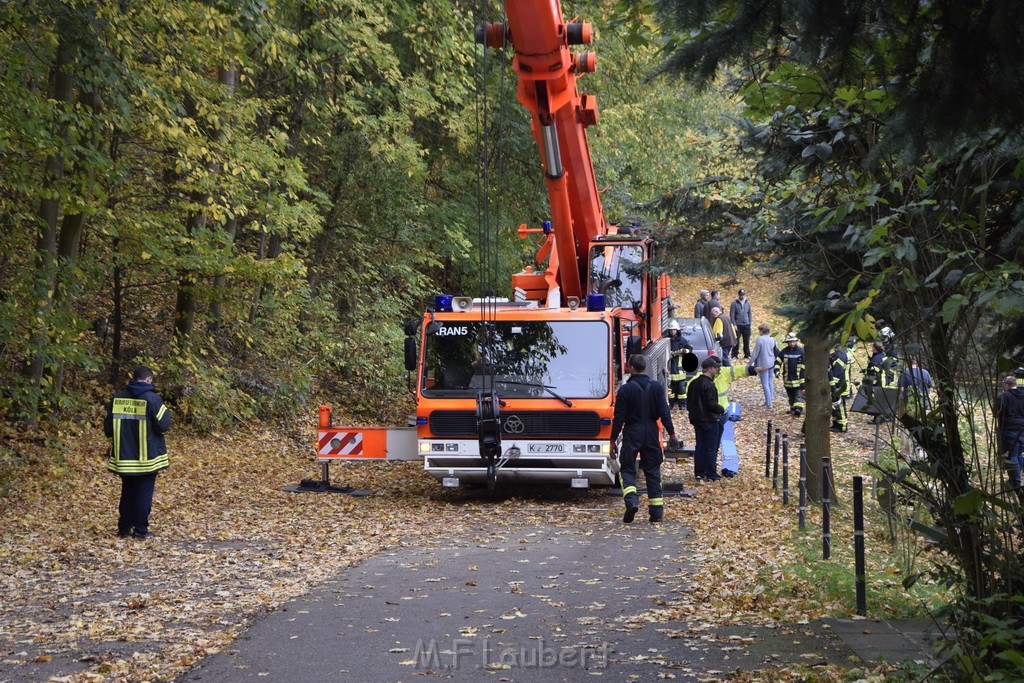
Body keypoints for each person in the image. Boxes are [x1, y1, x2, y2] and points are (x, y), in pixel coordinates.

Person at [104, 365, 172, 539]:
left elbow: (108, 429)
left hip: (124, 456)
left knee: (127, 491)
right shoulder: (153, 399)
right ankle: (140, 531)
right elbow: (164, 425)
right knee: (143, 493)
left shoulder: (117, 398)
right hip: (148, 458)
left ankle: (124, 528)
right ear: (149, 379)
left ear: (133, 378)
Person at [611, 355, 678, 523]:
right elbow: (664, 412)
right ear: (644, 367)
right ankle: (656, 513)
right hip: (651, 431)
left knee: (627, 468)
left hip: (632, 431)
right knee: (653, 471)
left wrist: (612, 440)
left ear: (631, 367)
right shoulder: (655, 387)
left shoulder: (625, 390)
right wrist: (672, 434)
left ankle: (632, 501)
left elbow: (619, 418)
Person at [687, 356, 726, 482]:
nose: (717, 370)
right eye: (715, 368)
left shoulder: (693, 383)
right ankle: (711, 473)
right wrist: (721, 409)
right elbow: (711, 404)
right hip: (709, 420)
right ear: (709, 369)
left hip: (697, 420)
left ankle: (699, 472)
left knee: (700, 446)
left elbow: (689, 403)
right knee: (711, 448)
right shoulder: (709, 385)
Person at [995, 375, 1024, 487]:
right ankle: (1016, 481)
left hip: (1010, 430)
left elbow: (996, 413)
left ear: (1006, 385)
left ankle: (1016, 484)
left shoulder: (1004, 396)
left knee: (1012, 456)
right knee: (1018, 454)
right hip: (1023, 429)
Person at [665, 320, 693, 410]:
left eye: (674, 330)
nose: (672, 331)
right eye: (671, 330)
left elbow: (690, 349)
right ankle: (671, 404)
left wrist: (683, 351)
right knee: (671, 390)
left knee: (681, 389)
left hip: (679, 369)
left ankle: (683, 404)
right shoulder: (667, 340)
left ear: (677, 330)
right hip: (670, 369)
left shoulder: (682, 340)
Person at [749, 323, 778, 408]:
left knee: (765, 383)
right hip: (771, 363)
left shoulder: (760, 339)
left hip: (763, 364)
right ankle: (769, 400)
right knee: (770, 382)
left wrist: (749, 364)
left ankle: (769, 403)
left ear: (762, 331)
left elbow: (755, 353)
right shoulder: (773, 339)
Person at [777, 332, 806, 416]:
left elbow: (804, 366)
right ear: (787, 342)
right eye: (790, 342)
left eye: (793, 341)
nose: (792, 343)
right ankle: (793, 409)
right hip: (787, 379)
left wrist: (803, 383)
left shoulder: (801, 351)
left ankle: (798, 410)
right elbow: (778, 361)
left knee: (798, 396)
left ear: (796, 341)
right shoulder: (784, 352)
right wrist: (776, 370)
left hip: (798, 380)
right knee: (791, 397)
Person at [829, 341, 853, 432]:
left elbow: (837, 373)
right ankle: (835, 424)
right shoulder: (840, 354)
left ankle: (842, 427)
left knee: (840, 407)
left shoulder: (840, 356)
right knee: (835, 406)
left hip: (840, 385)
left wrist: (832, 386)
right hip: (840, 385)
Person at [730, 289, 752, 359]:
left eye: (743, 294)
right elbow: (732, 315)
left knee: (746, 340)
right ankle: (734, 355)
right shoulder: (734, 303)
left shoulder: (747, 303)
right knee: (736, 341)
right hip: (738, 324)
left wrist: (749, 322)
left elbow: (749, 314)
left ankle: (747, 354)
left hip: (746, 324)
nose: (742, 296)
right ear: (738, 295)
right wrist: (734, 324)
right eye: (741, 295)